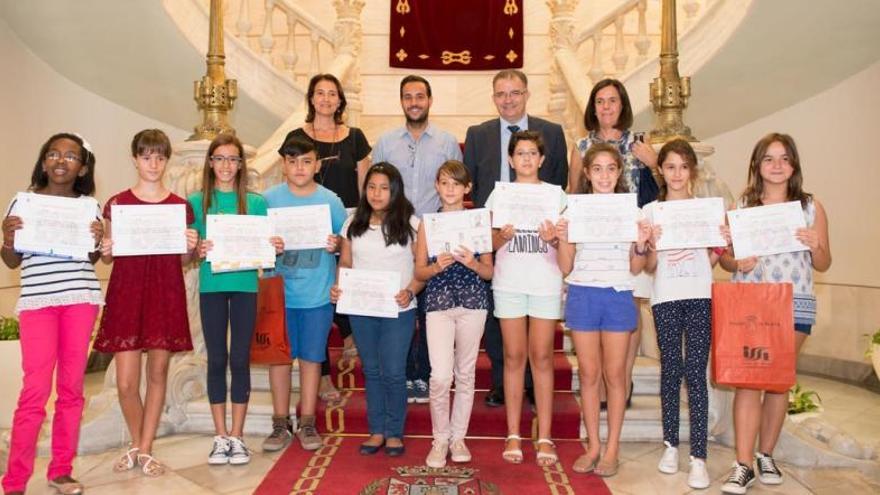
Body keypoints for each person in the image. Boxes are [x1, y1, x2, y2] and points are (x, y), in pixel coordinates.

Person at [719, 133, 831, 494]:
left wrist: (817, 246)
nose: (777, 165)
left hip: (795, 303)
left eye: (784, 158)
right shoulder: (743, 205)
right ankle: (743, 464)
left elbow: (825, 263)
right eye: (769, 159)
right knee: (748, 381)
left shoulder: (812, 207)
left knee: (779, 381)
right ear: (757, 166)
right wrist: (737, 260)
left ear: (794, 165)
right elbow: (725, 258)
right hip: (751, 305)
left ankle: (766, 453)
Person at [1, 133, 103, 495]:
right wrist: (7, 237)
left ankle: (61, 470)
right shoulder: (23, 201)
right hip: (39, 303)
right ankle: (13, 482)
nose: (62, 161)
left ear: (82, 167)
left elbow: (90, 258)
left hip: (80, 299)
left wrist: (96, 238)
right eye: (54, 154)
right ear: (44, 162)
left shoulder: (89, 206)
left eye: (71, 156)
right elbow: (12, 259)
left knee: (72, 390)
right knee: (34, 391)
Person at [95, 129, 198, 477]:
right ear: (134, 159)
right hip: (127, 293)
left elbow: (184, 260)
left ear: (167, 160)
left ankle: (145, 449)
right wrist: (105, 250)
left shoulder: (179, 207)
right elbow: (108, 257)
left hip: (164, 292)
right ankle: (141, 446)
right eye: (146, 156)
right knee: (125, 383)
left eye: (159, 156)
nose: (153, 163)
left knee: (157, 374)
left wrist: (190, 245)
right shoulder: (117, 204)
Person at [463, 69, 567, 408]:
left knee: (538, 329)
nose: (508, 99)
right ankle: (500, 380)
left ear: (526, 94)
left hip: (541, 250)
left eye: (515, 93)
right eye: (501, 94)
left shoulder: (551, 132)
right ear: (494, 97)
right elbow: (474, 189)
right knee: (499, 316)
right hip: (498, 242)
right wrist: (488, 235)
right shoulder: (478, 135)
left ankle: (536, 386)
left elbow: (559, 184)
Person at [556, 143, 650, 477]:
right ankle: (593, 444)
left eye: (611, 168)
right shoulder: (572, 212)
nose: (605, 175)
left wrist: (640, 244)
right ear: (587, 173)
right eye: (597, 168)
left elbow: (637, 267)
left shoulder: (632, 212)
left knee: (615, 375)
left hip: (618, 294)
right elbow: (566, 267)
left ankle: (612, 449)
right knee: (589, 374)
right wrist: (561, 239)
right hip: (583, 293)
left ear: (619, 173)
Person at [569, 78, 660, 411]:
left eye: (612, 101)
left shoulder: (641, 142)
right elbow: (574, 192)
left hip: (631, 238)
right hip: (596, 244)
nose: (606, 107)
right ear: (593, 108)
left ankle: (623, 376)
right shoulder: (580, 146)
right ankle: (606, 385)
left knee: (631, 305)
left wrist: (653, 162)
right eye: (600, 102)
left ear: (623, 105)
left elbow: (663, 188)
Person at [643, 139, 730, 489]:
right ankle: (670, 446)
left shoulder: (706, 210)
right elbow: (649, 266)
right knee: (670, 370)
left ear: (691, 170)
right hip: (665, 296)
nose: (677, 173)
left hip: (698, 295)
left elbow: (713, 257)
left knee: (695, 372)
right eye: (670, 166)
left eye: (683, 166)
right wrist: (648, 243)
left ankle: (698, 456)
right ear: (661, 171)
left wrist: (721, 242)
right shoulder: (651, 211)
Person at [373, 75, 463, 404]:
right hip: (395, 234)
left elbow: (455, 188)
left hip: (434, 233)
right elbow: (377, 187)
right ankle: (399, 373)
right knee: (399, 303)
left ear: (429, 100)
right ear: (401, 101)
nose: (414, 102)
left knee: (428, 307)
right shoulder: (385, 142)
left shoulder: (447, 141)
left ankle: (422, 374)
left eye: (420, 96)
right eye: (408, 96)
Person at [189, 134, 279, 465]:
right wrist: (196, 249)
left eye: (233, 159)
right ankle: (220, 436)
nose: (226, 166)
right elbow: (188, 253)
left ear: (241, 165)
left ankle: (238, 437)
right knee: (216, 359)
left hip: (245, 287)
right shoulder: (196, 201)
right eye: (220, 158)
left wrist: (273, 247)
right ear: (210, 163)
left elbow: (265, 252)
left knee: (240, 359)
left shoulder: (256, 203)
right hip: (212, 286)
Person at [282, 73, 370, 402]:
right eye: (320, 93)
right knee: (317, 295)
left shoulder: (355, 136)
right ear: (311, 98)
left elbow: (364, 183)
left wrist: (362, 222)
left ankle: (349, 333)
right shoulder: (295, 135)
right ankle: (322, 376)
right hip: (306, 227)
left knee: (342, 283)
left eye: (332, 94)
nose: (326, 99)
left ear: (340, 100)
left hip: (344, 219)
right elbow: (288, 177)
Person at [260, 136, 347, 453]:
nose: (299, 168)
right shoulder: (267, 200)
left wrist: (336, 245)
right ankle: (280, 423)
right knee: (279, 361)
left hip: (316, 296)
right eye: (293, 161)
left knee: (312, 359)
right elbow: (255, 243)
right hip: (278, 296)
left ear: (317, 165)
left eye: (306, 161)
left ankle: (307, 421)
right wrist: (267, 245)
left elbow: (346, 242)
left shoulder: (330, 201)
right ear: (283, 164)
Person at [331, 162, 422, 457]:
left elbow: (421, 270)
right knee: (371, 370)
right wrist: (338, 287)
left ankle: (394, 432)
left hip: (399, 308)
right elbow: (345, 264)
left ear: (394, 190)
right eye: (371, 187)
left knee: (394, 371)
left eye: (384, 188)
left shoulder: (412, 223)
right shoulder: (352, 222)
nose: (377, 193)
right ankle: (376, 430)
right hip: (361, 307)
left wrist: (410, 291)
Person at [487, 131, 564, 466]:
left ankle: (545, 435)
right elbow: (486, 243)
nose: (527, 159)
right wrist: (500, 237)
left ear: (542, 159)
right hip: (509, 283)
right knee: (514, 357)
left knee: (543, 358)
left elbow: (567, 243)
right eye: (520, 153)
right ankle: (514, 433)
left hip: (546, 282)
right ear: (510, 159)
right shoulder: (499, 195)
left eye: (533, 153)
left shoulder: (556, 195)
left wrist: (555, 239)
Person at [414, 160, 492, 468]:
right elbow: (419, 270)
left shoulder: (479, 221)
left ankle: (458, 437)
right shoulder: (428, 224)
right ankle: (439, 439)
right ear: (436, 186)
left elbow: (489, 272)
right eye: (444, 183)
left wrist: (472, 262)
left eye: (456, 184)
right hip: (438, 303)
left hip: (473, 302)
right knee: (440, 376)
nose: (450, 189)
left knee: (466, 373)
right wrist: (436, 266)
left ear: (467, 188)